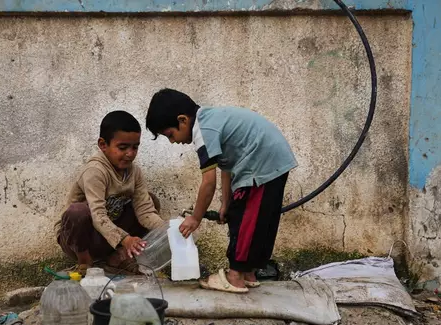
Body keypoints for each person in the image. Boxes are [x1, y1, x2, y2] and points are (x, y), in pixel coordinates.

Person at [145, 89, 298, 293]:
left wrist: (195, 218)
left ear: (183, 120)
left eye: (170, 135)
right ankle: (248, 273)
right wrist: (225, 203)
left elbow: (208, 182)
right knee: (259, 220)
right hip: (271, 160)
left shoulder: (203, 131)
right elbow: (226, 167)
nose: (173, 141)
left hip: (260, 163)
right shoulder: (213, 121)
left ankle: (235, 276)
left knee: (246, 221)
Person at [56, 110, 165, 275]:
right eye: (122, 147)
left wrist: (167, 231)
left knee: (151, 201)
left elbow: (145, 211)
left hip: (109, 237)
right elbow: (98, 216)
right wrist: (125, 239)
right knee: (77, 212)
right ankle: (85, 262)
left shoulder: (134, 172)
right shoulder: (95, 171)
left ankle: (116, 259)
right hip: (83, 239)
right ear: (103, 145)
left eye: (135, 147)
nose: (130, 153)